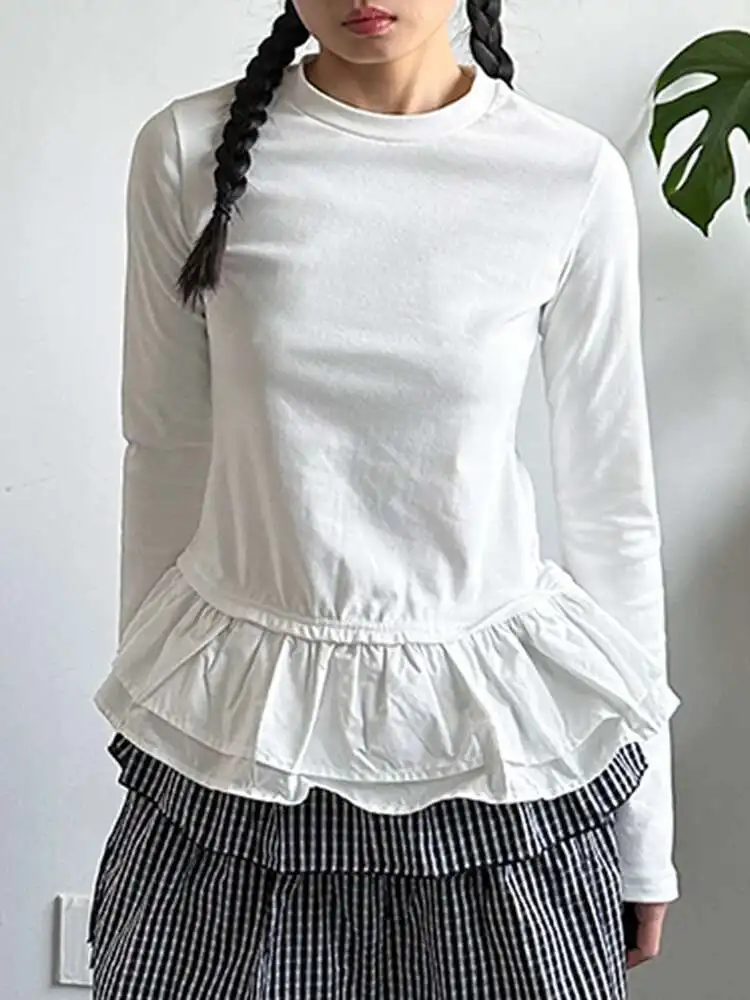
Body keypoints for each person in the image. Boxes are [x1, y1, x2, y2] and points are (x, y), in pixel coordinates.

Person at [87, 1, 681, 997]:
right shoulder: (186, 151)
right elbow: (165, 452)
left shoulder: (567, 174)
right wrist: (161, 727)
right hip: (245, 751)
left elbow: (611, 504)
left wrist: (647, 838)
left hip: (495, 761)